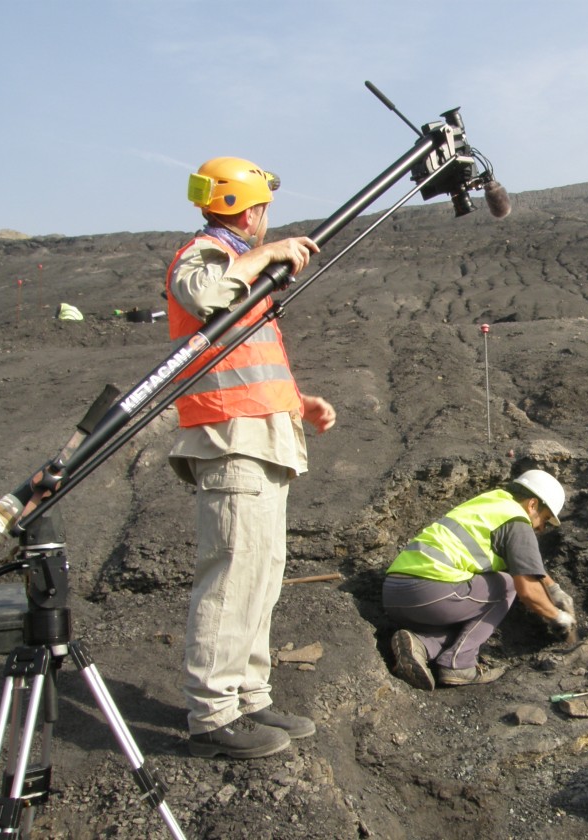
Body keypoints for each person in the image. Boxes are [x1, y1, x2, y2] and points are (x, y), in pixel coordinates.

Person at [167, 157, 336, 759]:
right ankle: (213, 715)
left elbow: (246, 362)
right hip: (229, 442)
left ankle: (250, 696)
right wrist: (265, 255)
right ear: (250, 209)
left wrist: (298, 405)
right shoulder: (207, 254)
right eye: (264, 210)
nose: (269, 222)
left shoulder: (237, 266)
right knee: (233, 574)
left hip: (264, 438)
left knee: (262, 575)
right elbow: (202, 291)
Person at [383, 469, 576, 689]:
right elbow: (527, 590)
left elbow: (522, 562)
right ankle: (459, 665)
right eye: (545, 519)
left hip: (396, 596)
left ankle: (421, 645)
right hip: (429, 593)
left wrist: (553, 588)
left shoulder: (491, 504)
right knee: (507, 585)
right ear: (532, 504)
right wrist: (558, 616)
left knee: (471, 622)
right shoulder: (517, 521)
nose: (541, 528)